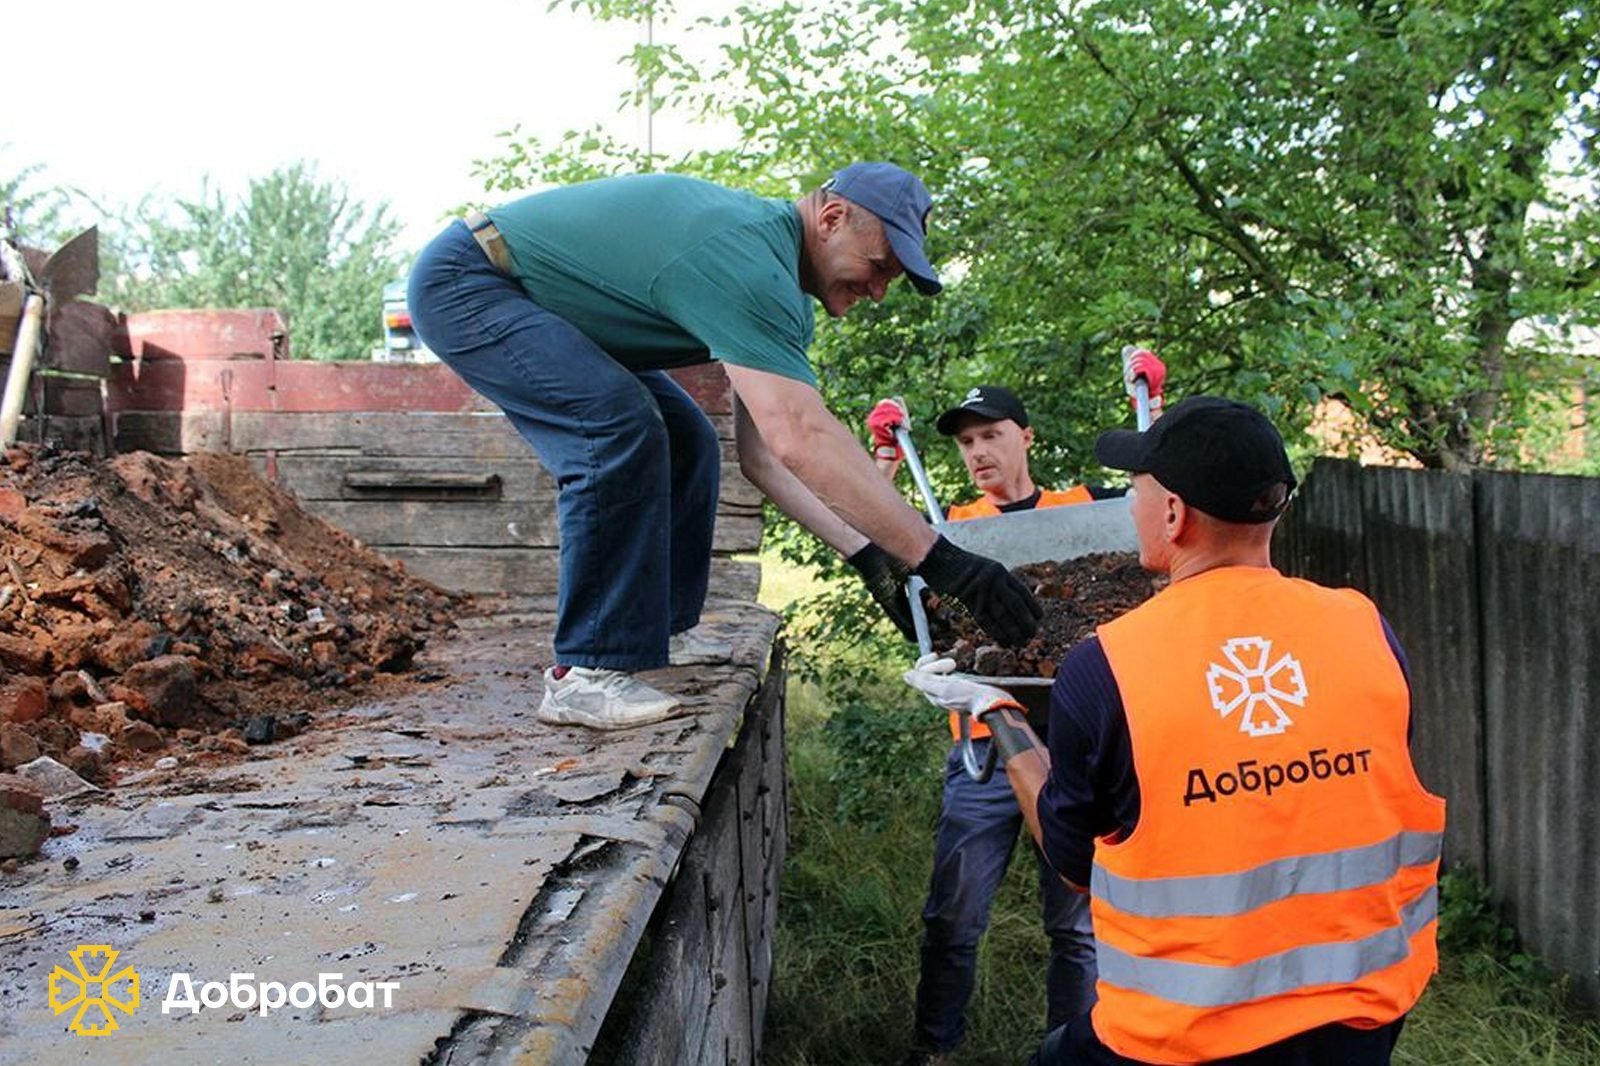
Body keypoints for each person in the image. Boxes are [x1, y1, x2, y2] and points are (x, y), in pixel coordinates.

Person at [903, 396, 1446, 1065]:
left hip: (1187, 1035)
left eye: (1135, 492)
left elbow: (1076, 864)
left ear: (1173, 513)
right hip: (1364, 1011)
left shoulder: (1107, 665)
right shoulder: (1366, 627)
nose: (1129, 509)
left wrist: (999, 712)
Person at [407, 163, 1041, 730]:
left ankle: (660, 632)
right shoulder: (747, 262)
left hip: (544, 303)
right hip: (474, 283)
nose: (878, 291)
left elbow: (763, 456)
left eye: (892, 280)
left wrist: (874, 558)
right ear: (831, 218)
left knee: (688, 439)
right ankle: (586, 674)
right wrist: (939, 560)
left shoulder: (783, 294)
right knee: (616, 428)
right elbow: (802, 437)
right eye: (877, 268)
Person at [866, 381, 1162, 1066]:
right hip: (987, 748)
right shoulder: (949, 530)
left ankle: (1071, 1049)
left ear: (1025, 437)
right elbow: (879, 553)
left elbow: (1161, 513)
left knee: (1077, 923)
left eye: (990, 435)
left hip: (1081, 743)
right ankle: (933, 1050)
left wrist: (1157, 412)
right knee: (954, 915)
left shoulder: (1086, 510)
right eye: (966, 443)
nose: (977, 452)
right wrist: (882, 461)